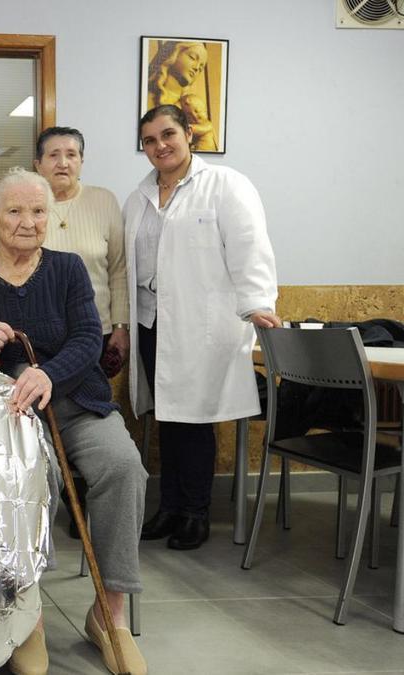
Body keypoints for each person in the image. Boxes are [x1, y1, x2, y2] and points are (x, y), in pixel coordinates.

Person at [0, 168, 147, 675]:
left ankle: (111, 614)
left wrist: (47, 373)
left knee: (124, 467)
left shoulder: (67, 268)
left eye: (38, 211)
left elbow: (87, 338)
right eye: (14, 211)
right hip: (10, 413)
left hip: (78, 400)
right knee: (37, 478)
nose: (27, 221)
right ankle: (28, 611)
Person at [125, 105, 280, 551]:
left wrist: (256, 304)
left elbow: (250, 247)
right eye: (150, 140)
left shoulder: (225, 185)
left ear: (189, 133)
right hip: (152, 322)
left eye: (168, 134)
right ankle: (169, 507)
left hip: (202, 324)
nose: (160, 146)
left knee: (195, 421)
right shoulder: (139, 196)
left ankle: (194, 512)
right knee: (167, 418)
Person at [33, 126, 129, 378]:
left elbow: (118, 271)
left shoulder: (104, 200)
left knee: (94, 408)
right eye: (53, 155)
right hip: (39, 334)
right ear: (38, 164)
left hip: (98, 330)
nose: (63, 163)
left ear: (82, 161)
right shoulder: (23, 205)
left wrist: (121, 326)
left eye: (72, 155)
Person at [147, 41, 208, 108]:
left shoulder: (190, 107)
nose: (196, 68)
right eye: (192, 57)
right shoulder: (146, 95)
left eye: (200, 68)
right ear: (174, 53)